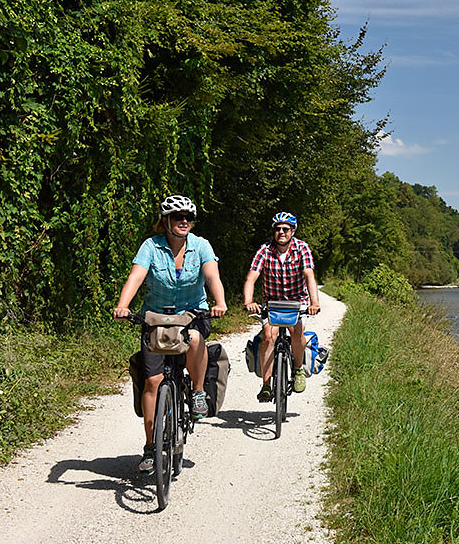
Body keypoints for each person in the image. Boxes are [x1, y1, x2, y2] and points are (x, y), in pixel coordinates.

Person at [113, 195, 227, 475]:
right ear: (165, 221)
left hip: (192, 315)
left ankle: (198, 392)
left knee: (197, 339)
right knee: (153, 381)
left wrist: (220, 302)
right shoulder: (150, 247)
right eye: (177, 217)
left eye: (188, 217)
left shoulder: (201, 246)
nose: (183, 221)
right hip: (157, 319)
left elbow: (212, 276)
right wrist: (123, 305)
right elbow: (136, 277)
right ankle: (151, 447)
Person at [242, 211, 320, 402]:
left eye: (285, 229)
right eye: (277, 229)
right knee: (269, 336)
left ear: (293, 230)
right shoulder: (265, 250)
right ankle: (267, 385)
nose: (281, 232)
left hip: (296, 302)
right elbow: (252, 276)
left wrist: (314, 302)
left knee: (297, 333)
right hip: (272, 304)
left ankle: (298, 369)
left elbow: (309, 275)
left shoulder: (302, 248)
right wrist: (248, 301)